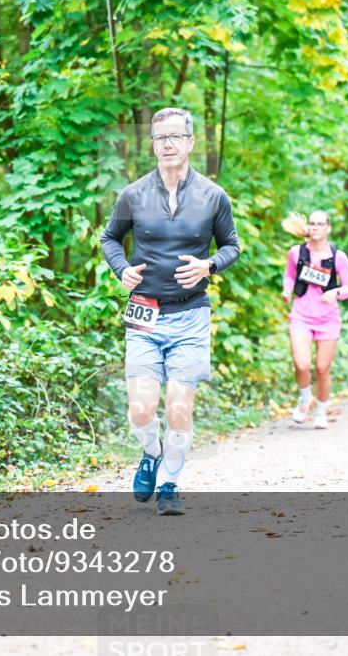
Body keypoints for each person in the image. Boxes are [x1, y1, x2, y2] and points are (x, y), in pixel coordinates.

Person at [101, 107, 241, 515]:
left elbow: (231, 245)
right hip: (144, 314)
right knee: (141, 407)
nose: (168, 144)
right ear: (153, 144)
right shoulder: (133, 194)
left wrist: (209, 265)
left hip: (192, 315)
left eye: (176, 137)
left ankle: (170, 484)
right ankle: (151, 453)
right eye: (160, 138)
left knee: (179, 409)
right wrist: (122, 269)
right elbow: (110, 238)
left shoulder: (213, 196)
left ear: (190, 142)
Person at [282, 210, 348, 429]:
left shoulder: (338, 256)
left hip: (328, 319)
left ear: (328, 228)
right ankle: (306, 398)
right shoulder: (297, 252)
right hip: (301, 316)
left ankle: (321, 412)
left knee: (322, 368)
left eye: (319, 224)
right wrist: (287, 290)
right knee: (301, 364)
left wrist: (336, 293)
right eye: (311, 223)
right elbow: (289, 275)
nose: (314, 227)